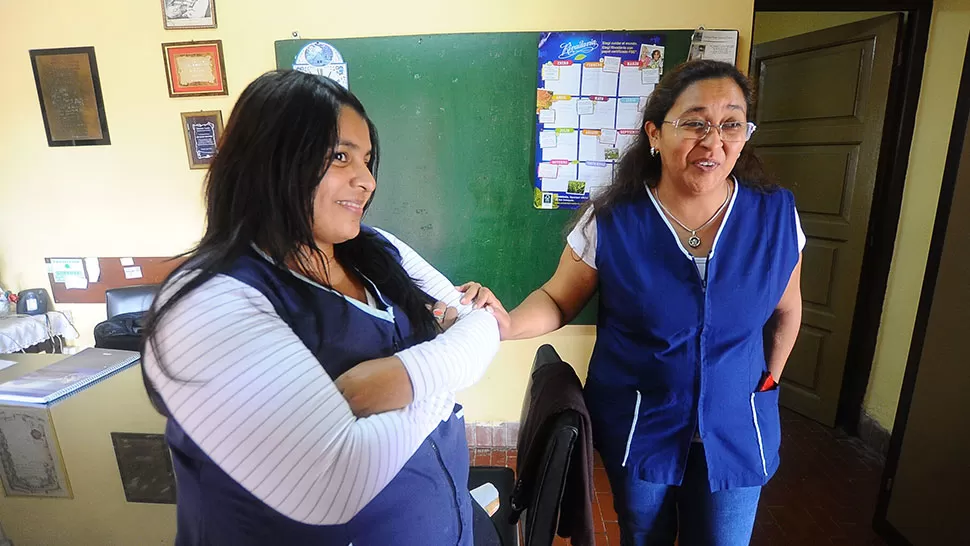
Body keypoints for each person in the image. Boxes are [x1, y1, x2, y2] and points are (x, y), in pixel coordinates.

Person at [141, 70, 502, 546]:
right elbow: (337, 482)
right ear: (270, 159)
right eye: (339, 156)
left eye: (368, 160)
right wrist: (442, 372)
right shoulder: (208, 304)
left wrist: (400, 379)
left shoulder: (375, 248)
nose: (368, 181)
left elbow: (486, 322)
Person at [461, 60, 804, 545]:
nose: (713, 141)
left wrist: (769, 377)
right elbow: (558, 300)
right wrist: (506, 324)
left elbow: (788, 310)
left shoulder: (776, 216)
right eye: (694, 122)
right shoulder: (613, 220)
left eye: (731, 123)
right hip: (642, 424)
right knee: (644, 538)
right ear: (655, 134)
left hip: (740, 425)